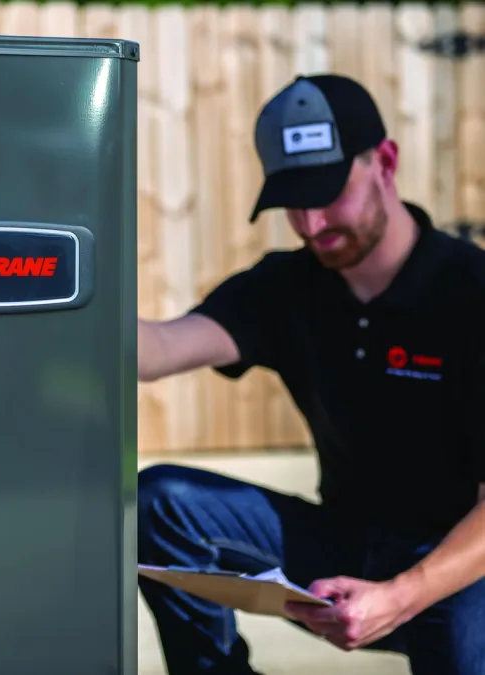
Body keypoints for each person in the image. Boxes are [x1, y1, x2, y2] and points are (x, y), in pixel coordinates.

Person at [136, 73, 485, 675]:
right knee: (160, 503)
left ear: (386, 162)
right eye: (293, 202)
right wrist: (62, 285)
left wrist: (402, 594)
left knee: (461, 625)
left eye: (328, 192)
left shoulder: (471, 292)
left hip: (459, 567)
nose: (312, 223)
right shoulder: (287, 286)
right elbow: (156, 350)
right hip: (346, 547)